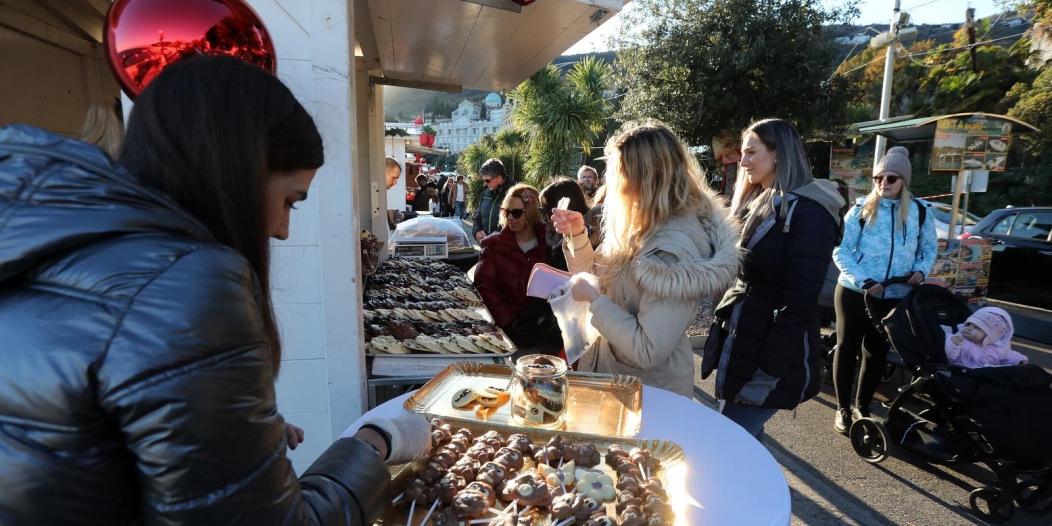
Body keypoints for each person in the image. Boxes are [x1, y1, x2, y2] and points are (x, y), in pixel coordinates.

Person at [0, 55, 430, 525]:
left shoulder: (49, 243)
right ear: (237, 174)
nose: (283, 229)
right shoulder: (184, 286)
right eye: (289, 200)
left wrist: (229, 435)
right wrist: (373, 442)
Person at [551, 121, 740, 397]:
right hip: (619, 382)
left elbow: (648, 350)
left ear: (641, 178)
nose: (612, 184)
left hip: (648, 397)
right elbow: (596, 277)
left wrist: (595, 300)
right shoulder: (643, 222)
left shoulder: (671, 250)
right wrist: (578, 235)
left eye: (617, 173)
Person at [701, 118, 846, 442]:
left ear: (779, 152)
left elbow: (798, 304)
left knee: (725, 443)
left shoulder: (810, 212)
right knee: (745, 445)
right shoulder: (763, 200)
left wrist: (764, 376)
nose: (744, 162)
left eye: (752, 152)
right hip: (745, 342)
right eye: (744, 153)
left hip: (770, 356)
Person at [832, 145, 937, 434]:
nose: (883, 183)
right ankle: (842, 408)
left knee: (876, 352)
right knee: (847, 347)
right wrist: (863, 280)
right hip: (856, 292)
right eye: (878, 178)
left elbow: (928, 249)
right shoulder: (860, 209)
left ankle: (862, 406)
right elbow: (841, 251)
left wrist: (921, 270)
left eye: (891, 178)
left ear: (904, 181)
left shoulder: (920, 212)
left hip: (895, 294)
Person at [474, 184, 560, 350]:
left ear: (532, 212)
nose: (510, 217)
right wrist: (511, 323)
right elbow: (486, 288)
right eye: (506, 211)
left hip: (543, 334)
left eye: (517, 212)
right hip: (504, 336)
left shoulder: (551, 244)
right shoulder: (493, 247)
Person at [944, 307, 1027, 368]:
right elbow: (949, 357)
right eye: (968, 324)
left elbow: (1009, 356)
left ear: (990, 335)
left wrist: (1019, 361)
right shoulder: (959, 339)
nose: (969, 328)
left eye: (976, 328)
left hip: (986, 376)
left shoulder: (999, 348)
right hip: (961, 372)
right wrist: (952, 344)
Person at [539, 177, 592, 271]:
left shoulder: (587, 242)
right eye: (542, 211)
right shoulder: (552, 239)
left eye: (545, 210)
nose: (546, 217)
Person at [472, 158, 514, 242]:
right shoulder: (485, 194)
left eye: (487, 180)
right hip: (486, 247)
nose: (484, 184)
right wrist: (476, 231)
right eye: (484, 180)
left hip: (507, 248)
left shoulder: (515, 195)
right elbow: (477, 219)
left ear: (499, 178)